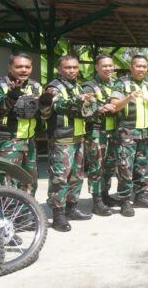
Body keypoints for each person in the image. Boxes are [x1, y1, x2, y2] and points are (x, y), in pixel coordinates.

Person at [42, 55, 96, 231]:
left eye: (74, 67)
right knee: (59, 178)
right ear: (60, 69)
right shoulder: (53, 87)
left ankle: (72, 208)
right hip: (61, 138)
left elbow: (88, 110)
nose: (72, 71)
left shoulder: (77, 86)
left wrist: (90, 103)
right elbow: (58, 106)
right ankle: (58, 215)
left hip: (78, 137)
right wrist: (80, 100)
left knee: (77, 176)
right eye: (67, 68)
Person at [110, 54, 148, 217]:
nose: (142, 69)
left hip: (145, 133)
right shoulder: (121, 83)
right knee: (125, 168)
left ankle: (140, 196)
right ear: (131, 67)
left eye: (144, 66)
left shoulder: (147, 85)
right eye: (138, 66)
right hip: (127, 132)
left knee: (141, 167)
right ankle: (124, 200)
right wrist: (128, 97)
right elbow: (114, 106)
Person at [0, 53, 41, 195]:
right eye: (19, 66)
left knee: (30, 181)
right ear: (10, 68)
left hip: (29, 141)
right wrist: (9, 98)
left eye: (27, 67)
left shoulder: (36, 86)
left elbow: (41, 114)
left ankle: (26, 214)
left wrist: (47, 105)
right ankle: (6, 215)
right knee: (6, 182)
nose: (23, 70)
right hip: (6, 142)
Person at [81, 53, 118, 216]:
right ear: (96, 67)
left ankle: (105, 195)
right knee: (97, 167)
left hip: (112, 131)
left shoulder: (116, 84)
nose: (109, 69)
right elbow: (85, 110)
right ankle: (97, 202)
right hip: (96, 132)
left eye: (111, 65)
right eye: (105, 66)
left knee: (109, 166)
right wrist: (99, 109)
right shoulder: (89, 87)